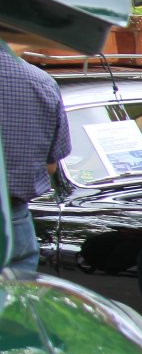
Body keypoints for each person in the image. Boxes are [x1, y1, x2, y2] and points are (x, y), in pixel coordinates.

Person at [0, 48, 70, 275]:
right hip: (14, 220)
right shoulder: (42, 82)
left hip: (15, 218)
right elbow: (50, 165)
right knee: (14, 295)